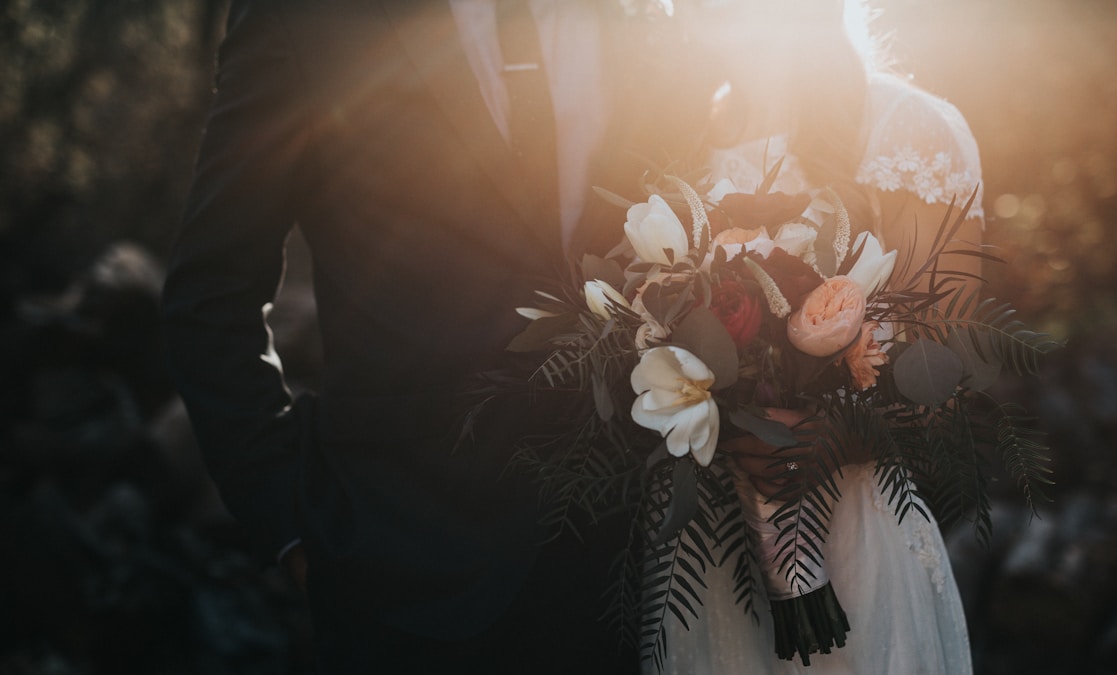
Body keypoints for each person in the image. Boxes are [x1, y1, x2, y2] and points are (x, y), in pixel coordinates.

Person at [161, 0, 643, 672]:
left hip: (629, 576)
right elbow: (209, 296)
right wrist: (297, 530)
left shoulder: (642, 17)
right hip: (402, 577)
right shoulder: (302, 19)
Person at [647, 0, 983, 672]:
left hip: (856, 541)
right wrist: (708, 424)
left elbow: (950, 371)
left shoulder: (907, 130)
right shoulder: (668, 144)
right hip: (703, 564)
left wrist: (824, 440)